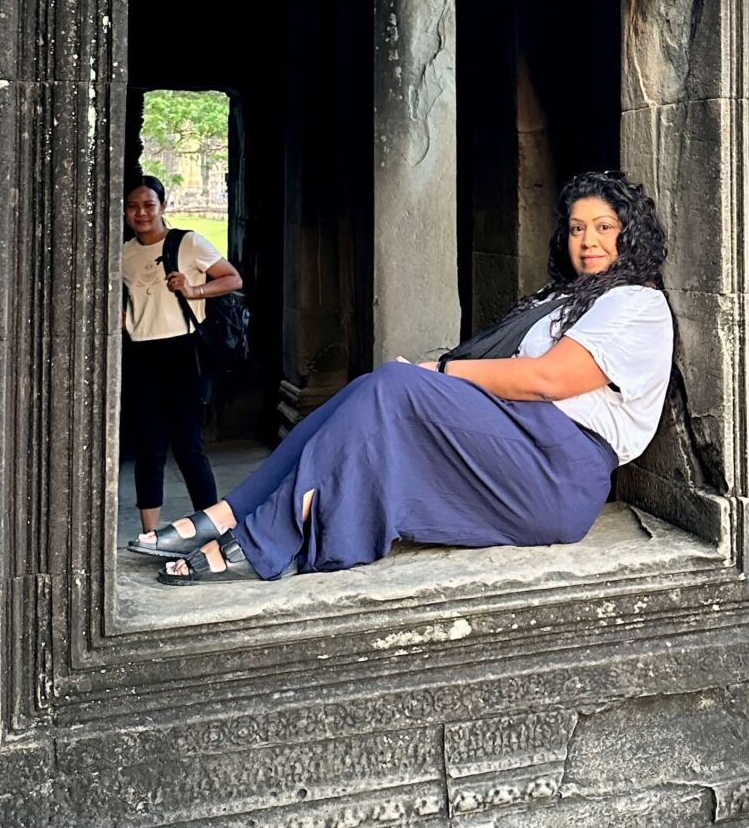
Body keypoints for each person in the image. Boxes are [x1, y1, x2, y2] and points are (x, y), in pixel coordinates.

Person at [132, 170, 673, 584]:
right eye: (578, 228)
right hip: (519, 441)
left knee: (397, 386)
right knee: (374, 387)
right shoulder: (568, 298)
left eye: (605, 228)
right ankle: (230, 511)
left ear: (633, 235)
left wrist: (440, 370)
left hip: (558, 467)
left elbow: (549, 379)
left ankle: (258, 537)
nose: (588, 241)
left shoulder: (636, 303)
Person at [121, 173, 244, 578]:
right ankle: (150, 534)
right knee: (149, 445)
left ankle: (211, 531)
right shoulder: (121, 254)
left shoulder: (186, 242)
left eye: (148, 205)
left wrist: (194, 290)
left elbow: (231, 278)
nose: (141, 213)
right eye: (133, 206)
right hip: (141, 353)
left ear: (162, 206)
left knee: (189, 445)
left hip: (182, 350)